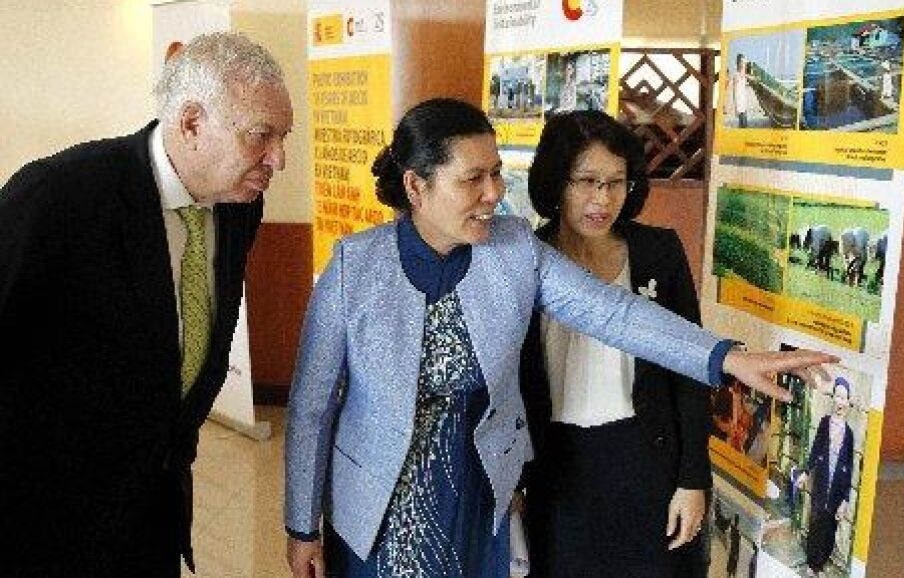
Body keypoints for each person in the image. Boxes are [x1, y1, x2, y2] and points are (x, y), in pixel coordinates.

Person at [283, 98, 836, 578]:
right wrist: (302, 526)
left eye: (496, 173)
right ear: (416, 185)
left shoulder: (512, 249)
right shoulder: (354, 268)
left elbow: (613, 313)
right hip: (380, 500)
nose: (493, 193)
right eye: (472, 179)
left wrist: (725, 357)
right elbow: (311, 409)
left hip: (477, 493)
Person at [0, 32, 292, 576]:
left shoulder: (238, 205)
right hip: (40, 523)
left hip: (152, 516)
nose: (278, 158)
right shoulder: (58, 197)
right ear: (191, 123)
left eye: (283, 136)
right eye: (261, 136)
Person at [517, 110, 712, 577]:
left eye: (616, 183)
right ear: (556, 182)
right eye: (586, 181)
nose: (602, 199)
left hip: (645, 456)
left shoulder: (658, 252)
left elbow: (689, 370)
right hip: (556, 465)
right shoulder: (525, 260)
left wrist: (693, 479)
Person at [797, 377, 855, 577]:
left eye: (844, 398)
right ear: (833, 399)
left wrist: (845, 500)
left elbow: (849, 467)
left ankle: (820, 565)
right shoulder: (824, 423)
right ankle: (811, 564)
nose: (840, 402)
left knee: (830, 529)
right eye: (837, 396)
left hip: (837, 491)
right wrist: (806, 472)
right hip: (821, 485)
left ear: (848, 402)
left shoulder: (849, 434)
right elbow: (815, 450)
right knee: (816, 524)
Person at [725, 53, 751, 128]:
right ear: (738, 63)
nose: (744, 64)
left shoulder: (743, 74)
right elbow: (734, 91)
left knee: (744, 124)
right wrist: (736, 107)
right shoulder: (736, 75)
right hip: (739, 104)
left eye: (744, 62)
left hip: (744, 103)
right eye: (742, 62)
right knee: (742, 125)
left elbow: (749, 77)